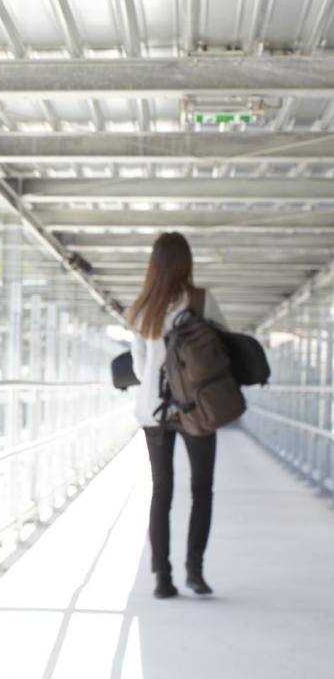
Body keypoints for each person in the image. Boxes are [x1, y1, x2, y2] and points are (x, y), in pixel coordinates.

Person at [128, 232, 228, 599]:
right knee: (202, 489)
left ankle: (162, 579)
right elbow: (223, 349)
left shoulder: (142, 309)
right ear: (187, 262)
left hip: (154, 409)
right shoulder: (201, 301)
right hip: (198, 407)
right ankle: (195, 573)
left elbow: (140, 368)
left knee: (162, 492)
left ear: (154, 264)